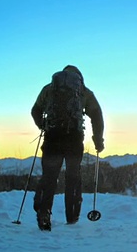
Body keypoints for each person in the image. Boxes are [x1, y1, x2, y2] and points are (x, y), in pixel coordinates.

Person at [31, 65, 104, 231]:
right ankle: (72, 216)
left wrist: (42, 125)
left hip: (52, 138)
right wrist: (98, 140)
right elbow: (97, 115)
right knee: (73, 176)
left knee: (49, 176)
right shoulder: (84, 91)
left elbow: (35, 110)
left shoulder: (49, 89)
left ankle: (44, 212)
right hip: (74, 140)